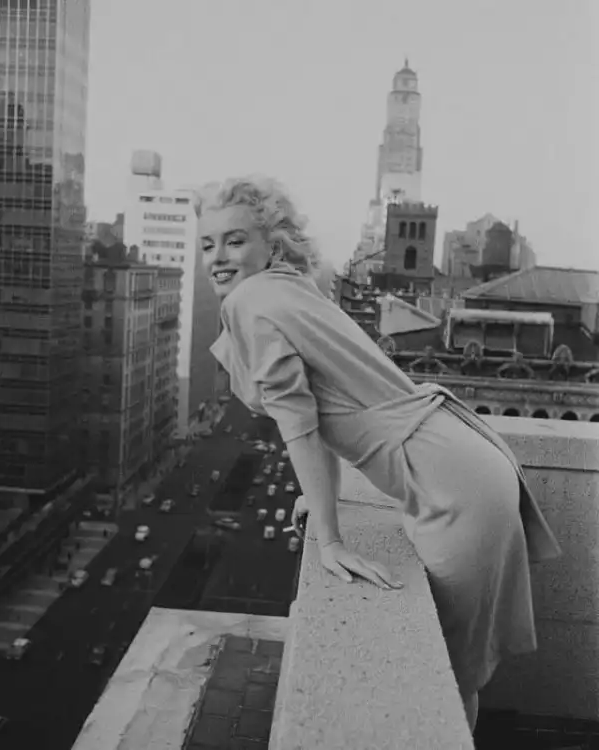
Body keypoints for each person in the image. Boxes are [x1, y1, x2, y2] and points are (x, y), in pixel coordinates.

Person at [195, 176, 561, 734]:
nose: (218, 257)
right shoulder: (289, 286)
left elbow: (300, 427)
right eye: (208, 244)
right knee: (453, 676)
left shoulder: (252, 301)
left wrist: (331, 542)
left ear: (271, 244)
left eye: (235, 240)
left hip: (453, 486)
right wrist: (324, 502)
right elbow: (322, 417)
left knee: (443, 681)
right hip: (461, 459)